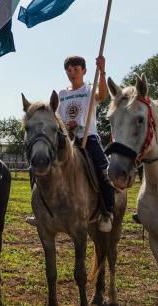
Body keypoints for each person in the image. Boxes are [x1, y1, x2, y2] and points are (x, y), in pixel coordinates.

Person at [60, 55, 115, 232]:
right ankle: (43, 211)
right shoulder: (62, 94)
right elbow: (58, 116)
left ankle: (107, 212)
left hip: (88, 137)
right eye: (69, 70)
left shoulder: (89, 90)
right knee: (42, 165)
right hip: (67, 140)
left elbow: (103, 95)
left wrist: (102, 70)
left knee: (104, 171)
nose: (72, 73)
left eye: (76, 70)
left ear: (84, 71)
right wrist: (64, 126)